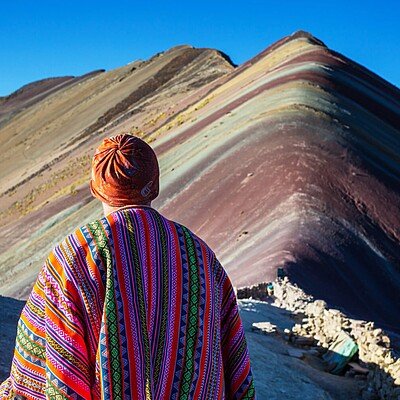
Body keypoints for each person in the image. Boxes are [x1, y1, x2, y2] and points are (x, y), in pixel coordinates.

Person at [0, 134, 256, 399]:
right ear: (154, 185)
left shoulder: (73, 255)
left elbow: (46, 359)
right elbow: (233, 355)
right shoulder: (200, 255)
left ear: (95, 188)